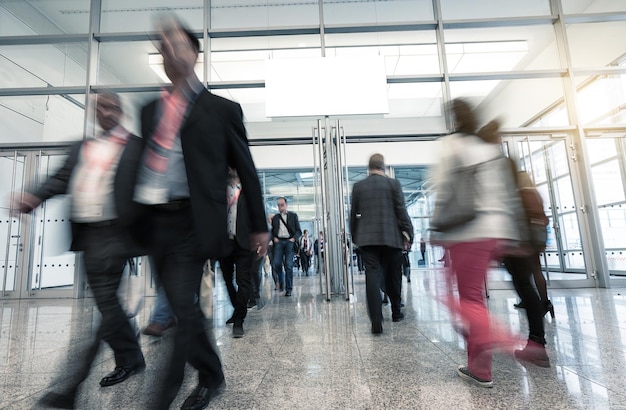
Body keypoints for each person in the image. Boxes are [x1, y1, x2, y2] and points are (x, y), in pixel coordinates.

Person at [133, 16, 268, 410]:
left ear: (195, 52)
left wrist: (258, 225)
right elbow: (142, 164)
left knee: (179, 302)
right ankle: (211, 373)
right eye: (162, 46)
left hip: (194, 220)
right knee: (181, 305)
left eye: (176, 44)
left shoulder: (222, 110)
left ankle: (163, 396)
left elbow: (246, 169)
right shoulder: (150, 110)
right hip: (157, 219)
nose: (168, 52)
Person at [12, 92, 146, 408]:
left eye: (113, 106)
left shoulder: (136, 146)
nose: (107, 112)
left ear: (121, 111)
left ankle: (71, 385)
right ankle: (132, 356)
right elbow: (59, 180)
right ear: (94, 112)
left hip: (118, 234)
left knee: (107, 308)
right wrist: (32, 196)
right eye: (101, 107)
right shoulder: (81, 147)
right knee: (107, 305)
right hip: (89, 236)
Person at [431, 99, 521, 388]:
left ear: (452, 120)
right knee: (473, 299)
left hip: (466, 233)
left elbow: (443, 190)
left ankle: (494, 347)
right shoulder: (489, 151)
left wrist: (436, 226)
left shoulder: (452, 147)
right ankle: (478, 364)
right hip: (494, 234)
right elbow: (506, 195)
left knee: (465, 301)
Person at [349, 153, 414, 334]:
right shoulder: (393, 184)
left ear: (369, 168)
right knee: (394, 275)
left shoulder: (359, 187)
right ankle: (395, 311)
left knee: (372, 276)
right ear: (383, 167)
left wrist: (355, 236)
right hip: (391, 238)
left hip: (367, 239)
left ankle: (376, 321)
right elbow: (401, 211)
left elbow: (354, 214)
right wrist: (409, 234)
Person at [218, 168, 266, 337]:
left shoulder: (248, 190)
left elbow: (257, 214)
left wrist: (261, 240)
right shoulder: (218, 188)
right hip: (224, 241)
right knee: (227, 279)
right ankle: (237, 309)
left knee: (243, 281)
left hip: (245, 243)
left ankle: (239, 320)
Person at [271, 197, 302, 297]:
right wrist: (274, 237)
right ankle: (281, 281)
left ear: (286, 205)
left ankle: (289, 289)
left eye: (282, 205)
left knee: (288, 265)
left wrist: (294, 239)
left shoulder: (293, 216)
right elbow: (271, 231)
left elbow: (298, 231)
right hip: (279, 242)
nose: (280, 207)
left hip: (289, 241)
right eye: (279, 205)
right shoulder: (275, 218)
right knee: (276, 263)